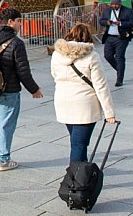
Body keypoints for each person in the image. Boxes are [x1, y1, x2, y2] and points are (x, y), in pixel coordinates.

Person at [0, 7, 44, 171]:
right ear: (10, 22)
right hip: (9, 89)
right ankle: (3, 159)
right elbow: (23, 71)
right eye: (18, 21)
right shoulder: (16, 43)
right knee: (6, 123)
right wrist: (34, 89)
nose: (20, 24)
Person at [51, 23, 117, 164]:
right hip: (85, 105)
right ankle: (75, 174)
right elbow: (100, 85)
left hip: (63, 101)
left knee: (76, 141)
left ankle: (82, 168)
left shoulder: (57, 54)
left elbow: (54, 75)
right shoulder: (92, 56)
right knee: (79, 144)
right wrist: (109, 112)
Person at [99, 0, 133, 87]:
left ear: (120, 3)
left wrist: (120, 23)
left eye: (116, 4)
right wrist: (107, 22)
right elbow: (101, 20)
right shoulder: (107, 10)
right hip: (109, 37)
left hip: (121, 37)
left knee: (119, 57)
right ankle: (119, 70)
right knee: (108, 56)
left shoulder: (128, 11)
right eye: (112, 4)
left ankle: (119, 79)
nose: (114, 6)